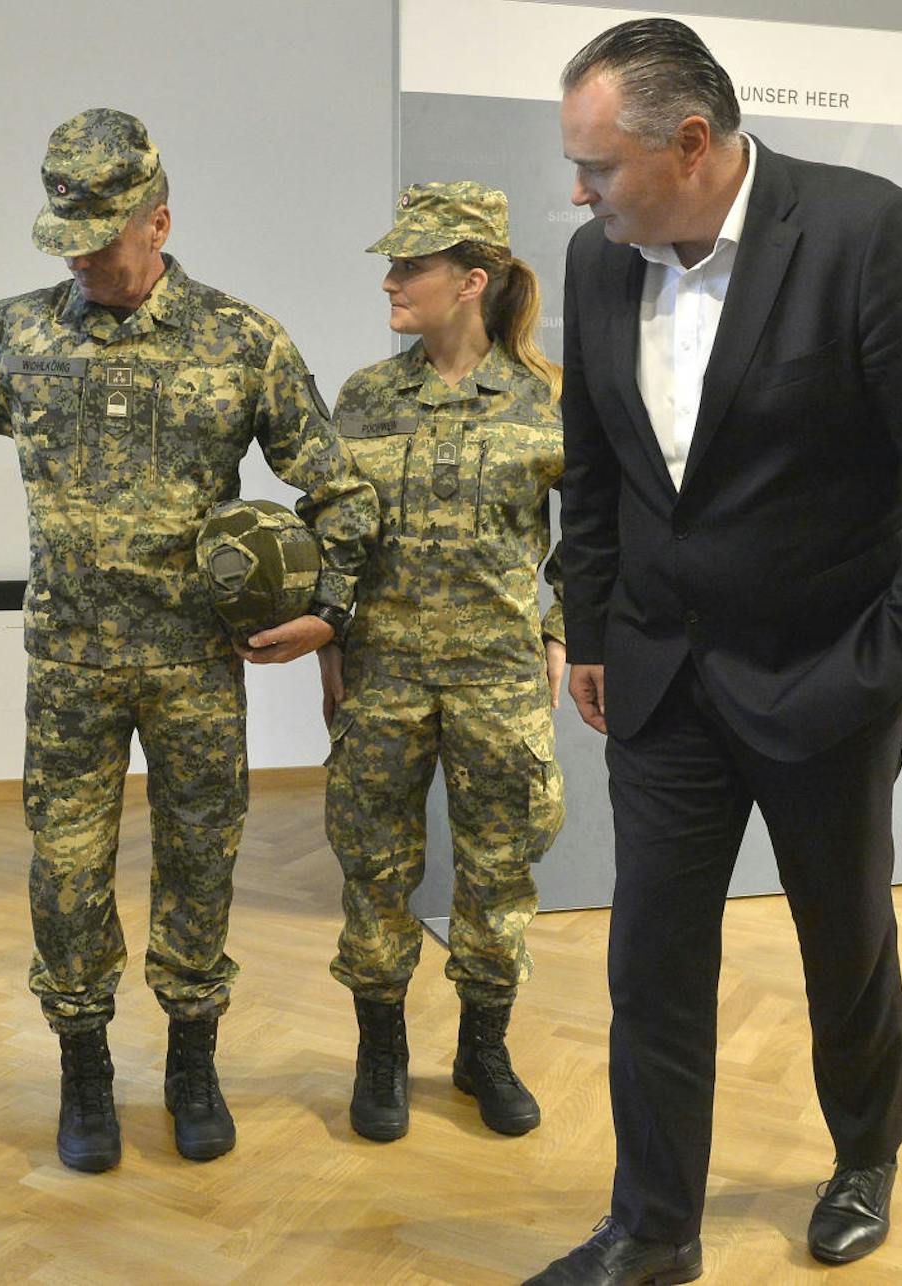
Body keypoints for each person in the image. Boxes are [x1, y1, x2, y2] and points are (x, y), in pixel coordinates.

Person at [0, 108, 378, 1174]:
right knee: (65, 873)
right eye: (67, 237)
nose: (83, 258)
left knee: (201, 863)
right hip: (70, 665)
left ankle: (191, 1063)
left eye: (104, 238)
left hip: (198, 665)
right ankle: (84, 1069)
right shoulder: (16, 336)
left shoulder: (241, 341)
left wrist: (329, 609)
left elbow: (335, 485)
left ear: (159, 220)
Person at [524, 19, 902, 1285]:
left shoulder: (864, 235)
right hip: (658, 680)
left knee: (839, 939)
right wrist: (588, 626)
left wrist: (894, 662)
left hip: (826, 677)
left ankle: (863, 1153)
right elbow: (593, 468)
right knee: (649, 960)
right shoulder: (595, 263)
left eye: (597, 165)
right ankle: (652, 1227)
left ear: (690, 143)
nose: (576, 193)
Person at [320, 182, 566, 1145]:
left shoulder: (545, 400)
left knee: (499, 871)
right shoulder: (366, 398)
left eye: (409, 266)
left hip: (497, 679)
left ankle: (482, 1049)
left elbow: (595, 536)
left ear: (471, 281)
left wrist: (560, 632)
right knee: (373, 868)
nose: (389, 280)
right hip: (381, 676)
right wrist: (330, 639)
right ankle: (380, 1052)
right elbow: (333, 531)